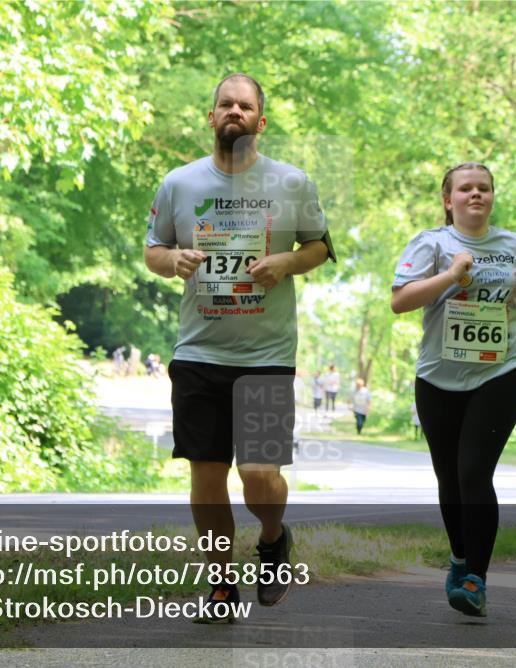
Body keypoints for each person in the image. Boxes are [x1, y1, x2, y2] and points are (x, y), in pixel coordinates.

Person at [144, 73, 334, 623]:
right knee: (206, 477)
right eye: (225, 104)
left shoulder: (292, 182)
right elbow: (154, 250)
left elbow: (319, 246)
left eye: (244, 106)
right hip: (200, 351)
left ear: (260, 120)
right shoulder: (178, 183)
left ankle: (273, 537)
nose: (234, 111)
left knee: (257, 475)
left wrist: (287, 261)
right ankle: (222, 587)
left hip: (266, 355)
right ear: (211, 117)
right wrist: (172, 261)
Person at [391, 162, 516, 618]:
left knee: (474, 472)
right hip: (438, 377)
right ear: (448, 199)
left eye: (484, 188)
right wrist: (451, 274)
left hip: (499, 373)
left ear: (493, 196)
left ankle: (475, 577)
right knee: (449, 478)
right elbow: (400, 300)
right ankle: (459, 557)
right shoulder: (430, 243)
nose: (476, 195)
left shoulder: (512, 244)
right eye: (466, 189)